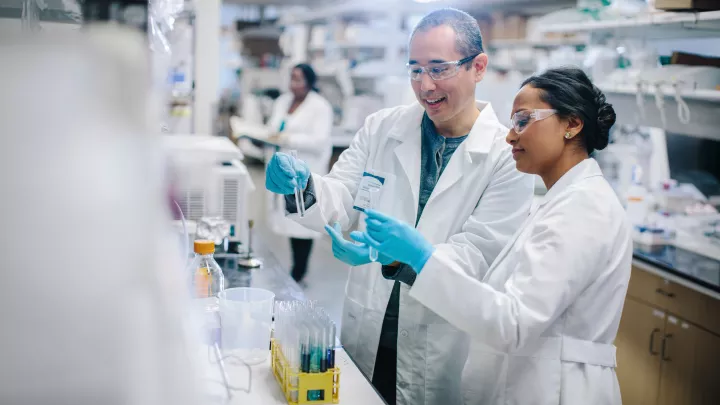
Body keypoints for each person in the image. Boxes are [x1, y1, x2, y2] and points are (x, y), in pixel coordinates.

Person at [264, 8, 535, 405]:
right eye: (415, 70)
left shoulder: (507, 155)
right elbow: (341, 196)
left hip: (443, 342)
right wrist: (300, 183)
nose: (425, 86)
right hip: (367, 329)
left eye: (439, 69)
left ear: (478, 67)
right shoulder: (382, 127)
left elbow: (480, 253)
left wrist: (406, 257)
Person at [355, 67, 631, 405]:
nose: (510, 137)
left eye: (524, 121)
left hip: (559, 390)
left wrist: (424, 260)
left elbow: (512, 323)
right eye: (513, 122)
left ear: (572, 124)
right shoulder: (559, 200)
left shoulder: (583, 209)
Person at [265, 63, 334, 283]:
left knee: (303, 222)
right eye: (292, 78)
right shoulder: (283, 101)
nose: (294, 84)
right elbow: (272, 128)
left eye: (299, 79)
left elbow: (319, 140)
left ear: (310, 82)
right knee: (288, 221)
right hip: (283, 169)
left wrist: (287, 139)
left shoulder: (320, 107)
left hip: (305, 171)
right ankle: (295, 268)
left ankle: (299, 271)